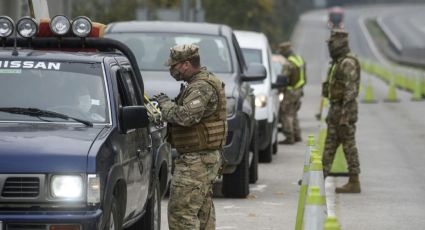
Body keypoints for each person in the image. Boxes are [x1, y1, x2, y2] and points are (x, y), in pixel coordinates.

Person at [154, 44, 227, 229]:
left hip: (196, 161)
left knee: (182, 214)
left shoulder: (201, 86)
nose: (172, 70)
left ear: (186, 64)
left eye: (174, 66)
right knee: (202, 213)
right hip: (202, 159)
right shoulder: (200, 83)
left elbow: (185, 117)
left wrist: (165, 104)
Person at [321, 29, 361, 193]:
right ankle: (319, 177)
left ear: (340, 43)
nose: (330, 46)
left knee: (348, 145)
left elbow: (350, 90)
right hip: (335, 109)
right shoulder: (338, 62)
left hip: (344, 111)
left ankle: (354, 181)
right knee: (329, 144)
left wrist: (344, 116)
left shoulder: (347, 63)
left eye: (332, 43)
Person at [277, 42, 306, 145]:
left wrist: (279, 90)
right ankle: (297, 135)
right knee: (293, 113)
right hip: (299, 89)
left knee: (286, 113)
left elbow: (284, 79)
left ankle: (289, 137)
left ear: (285, 52)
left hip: (291, 90)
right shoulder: (299, 59)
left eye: (282, 52)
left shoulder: (288, 63)